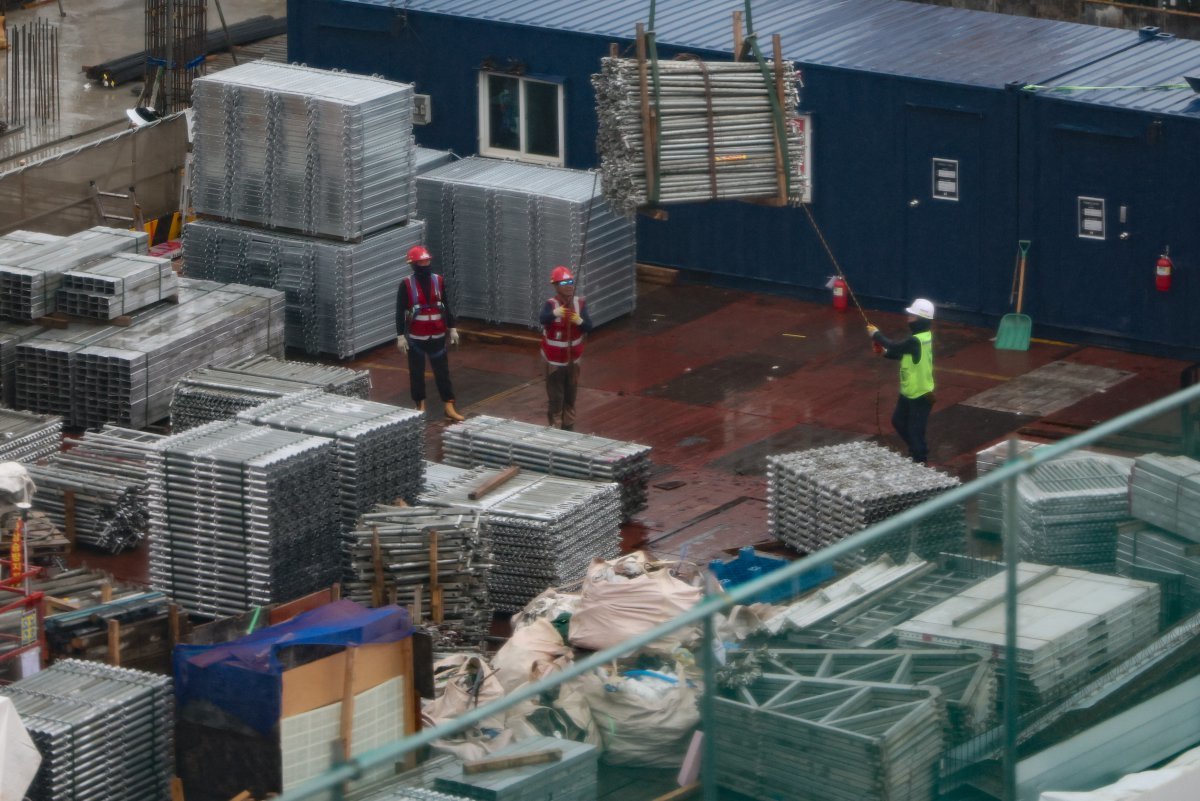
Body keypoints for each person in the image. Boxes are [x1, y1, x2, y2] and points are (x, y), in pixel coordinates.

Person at [395, 246, 465, 421]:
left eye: (427, 261)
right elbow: (399, 311)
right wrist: (400, 335)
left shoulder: (438, 281)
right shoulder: (406, 285)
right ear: (414, 264)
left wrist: (452, 328)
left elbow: (446, 305)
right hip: (416, 338)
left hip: (437, 335)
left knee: (443, 373)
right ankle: (419, 406)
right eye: (422, 262)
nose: (426, 264)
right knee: (416, 374)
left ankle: (449, 406)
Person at [868, 298, 935, 464]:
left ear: (921, 319)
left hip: (921, 395)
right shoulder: (921, 337)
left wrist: (875, 334)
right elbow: (900, 353)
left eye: (912, 316)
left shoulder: (916, 340)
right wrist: (883, 352)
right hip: (909, 392)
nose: (908, 318)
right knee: (898, 421)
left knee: (915, 431)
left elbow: (895, 347)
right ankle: (916, 449)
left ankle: (920, 460)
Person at [539, 265, 594, 431]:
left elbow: (588, 326)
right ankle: (555, 428)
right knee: (556, 397)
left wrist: (579, 321)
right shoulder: (551, 305)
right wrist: (555, 313)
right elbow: (543, 319)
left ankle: (568, 428)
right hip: (554, 363)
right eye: (564, 283)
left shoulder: (579, 304)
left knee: (570, 396)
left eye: (571, 282)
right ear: (556, 286)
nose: (569, 285)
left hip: (572, 362)